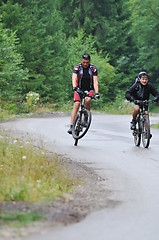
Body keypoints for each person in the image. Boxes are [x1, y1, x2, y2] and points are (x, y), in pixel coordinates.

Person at [68, 54, 100, 134]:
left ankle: (86, 117)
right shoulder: (77, 67)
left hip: (89, 89)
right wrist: (74, 87)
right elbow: (74, 77)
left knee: (88, 100)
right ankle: (71, 126)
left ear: (89, 62)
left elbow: (95, 81)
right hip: (79, 88)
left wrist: (96, 92)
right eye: (84, 62)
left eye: (87, 62)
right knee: (76, 105)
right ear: (81, 60)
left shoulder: (93, 69)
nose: (85, 64)